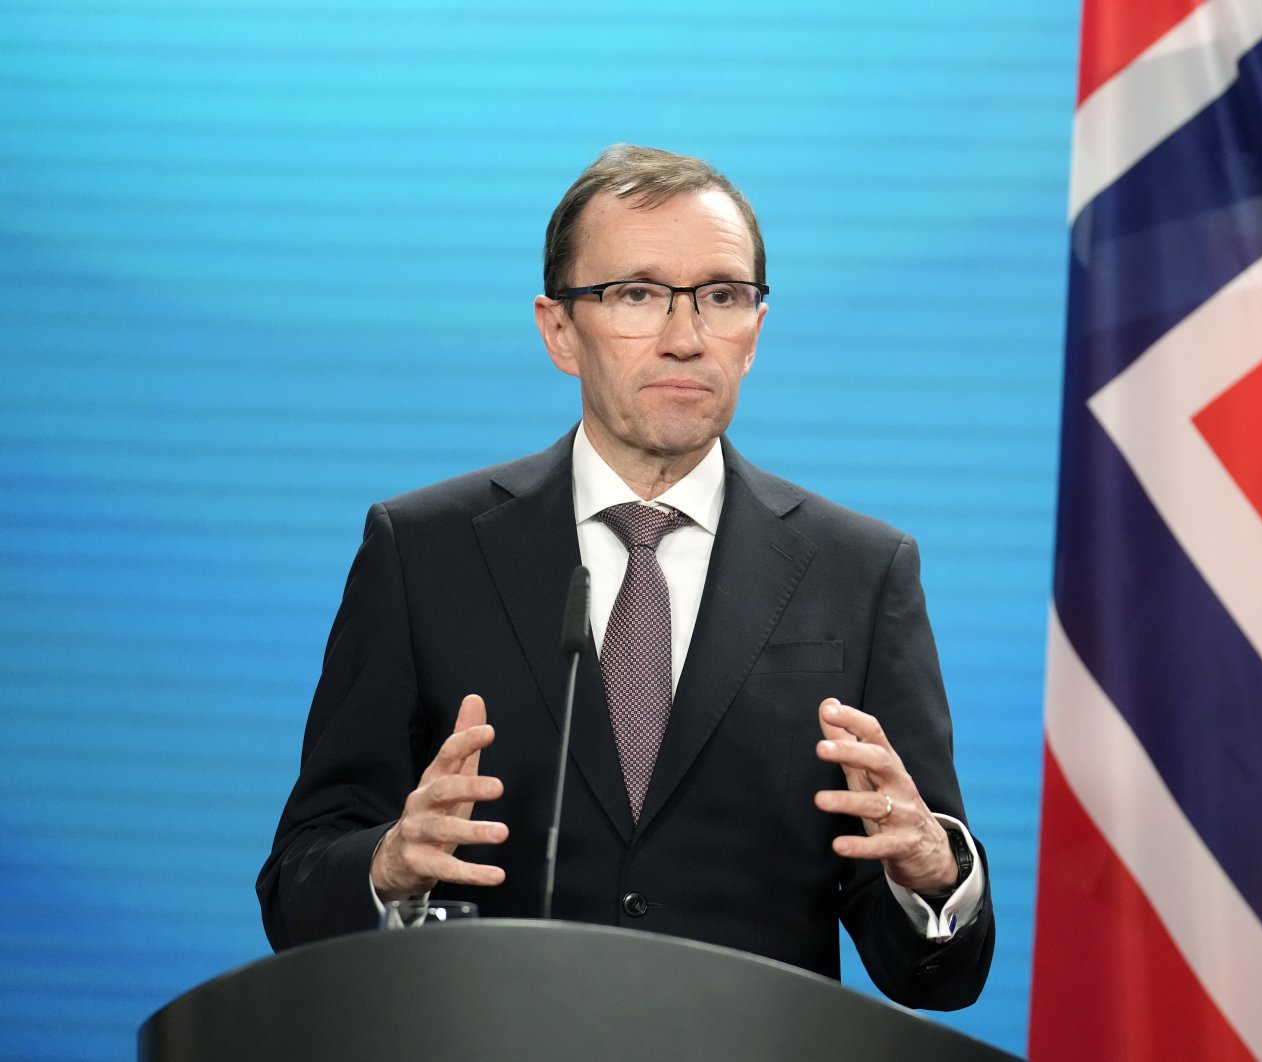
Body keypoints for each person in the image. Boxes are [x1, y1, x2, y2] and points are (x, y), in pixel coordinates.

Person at [257, 145, 994, 1010]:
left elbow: (933, 973)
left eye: (721, 296)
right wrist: (387, 865)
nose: (685, 338)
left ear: (755, 331)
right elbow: (298, 885)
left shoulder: (861, 573)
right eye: (637, 294)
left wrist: (934, 875)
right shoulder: (423, 553)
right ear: (559, 330)